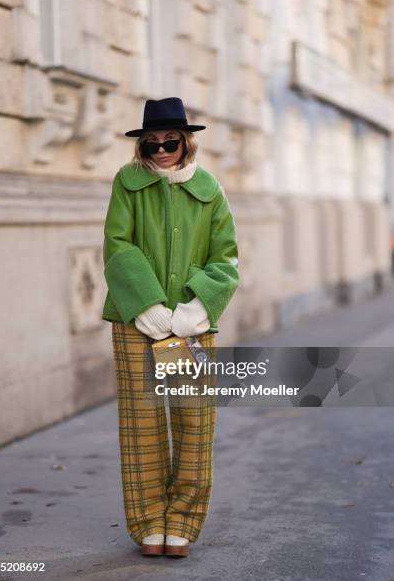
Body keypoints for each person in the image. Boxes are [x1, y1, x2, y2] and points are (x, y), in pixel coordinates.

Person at [102, 97, 240, 557]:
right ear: (142, 145)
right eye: (153, 142)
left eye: (171, 141)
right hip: (134, 318)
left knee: (194, 422)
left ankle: (182, 518)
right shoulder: (127, 183)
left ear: (186, 143)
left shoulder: (209, 189)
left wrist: (194, 310)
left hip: (192, 325)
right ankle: (148, 522)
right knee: (141, 424)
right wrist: (148, 305)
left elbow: (227, 258)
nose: (162, 149)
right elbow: (117, 244)